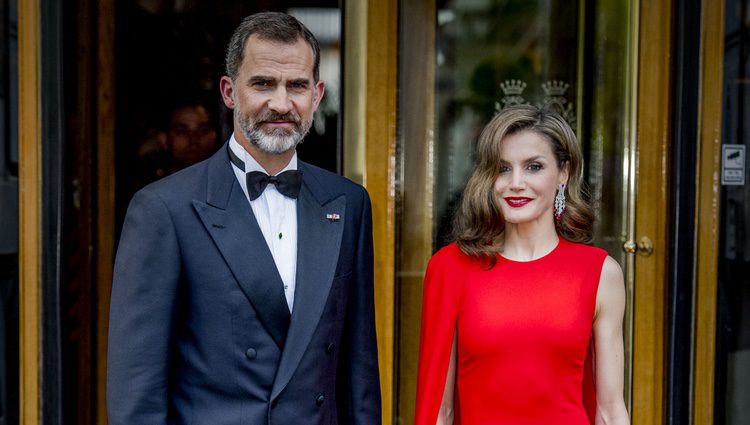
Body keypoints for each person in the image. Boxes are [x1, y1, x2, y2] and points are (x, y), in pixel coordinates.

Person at [107, 12, 381, 425]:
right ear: (229, 91)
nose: (281, 103)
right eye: (263, 83)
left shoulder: (349, 203)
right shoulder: (163, 209)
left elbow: (359, 373)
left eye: (297, 86)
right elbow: (138, 391)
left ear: (318, 94)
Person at [414, 105, 630, 425]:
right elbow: (439, 410)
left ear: (563, 173)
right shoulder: (450, 268)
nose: (516, 183)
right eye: (502, 168)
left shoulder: (601, 273)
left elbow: (610, 410)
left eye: (533, 167)